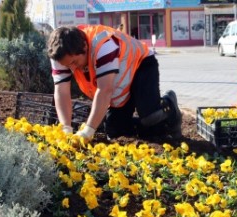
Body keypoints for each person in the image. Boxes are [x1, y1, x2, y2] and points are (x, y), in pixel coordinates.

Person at [47, 25, 182, 141]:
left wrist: (88, 131)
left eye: (74, 63)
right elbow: (61, 91)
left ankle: (170, 104)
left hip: (141, 65)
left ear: (84, 47)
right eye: (68, 65)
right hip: (120, 78)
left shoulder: (103, 46)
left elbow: (104, 90)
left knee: (150, 118)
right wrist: (66, 128)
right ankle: (147, 126)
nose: (72, 69)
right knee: (116, 131)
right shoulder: (61, 55)